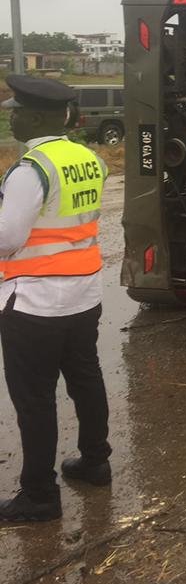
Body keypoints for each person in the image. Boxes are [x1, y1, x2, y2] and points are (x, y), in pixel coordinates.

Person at [0, 75, 111, 524]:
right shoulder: (89, 158)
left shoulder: (32, 169)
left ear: (38, 115)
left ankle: (40, 495)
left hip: (36, 303)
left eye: (17, 109)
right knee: (86, 377)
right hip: (84, 294)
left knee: (35, 399)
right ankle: (94, 461)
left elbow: (8, 238)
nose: (11, 114)